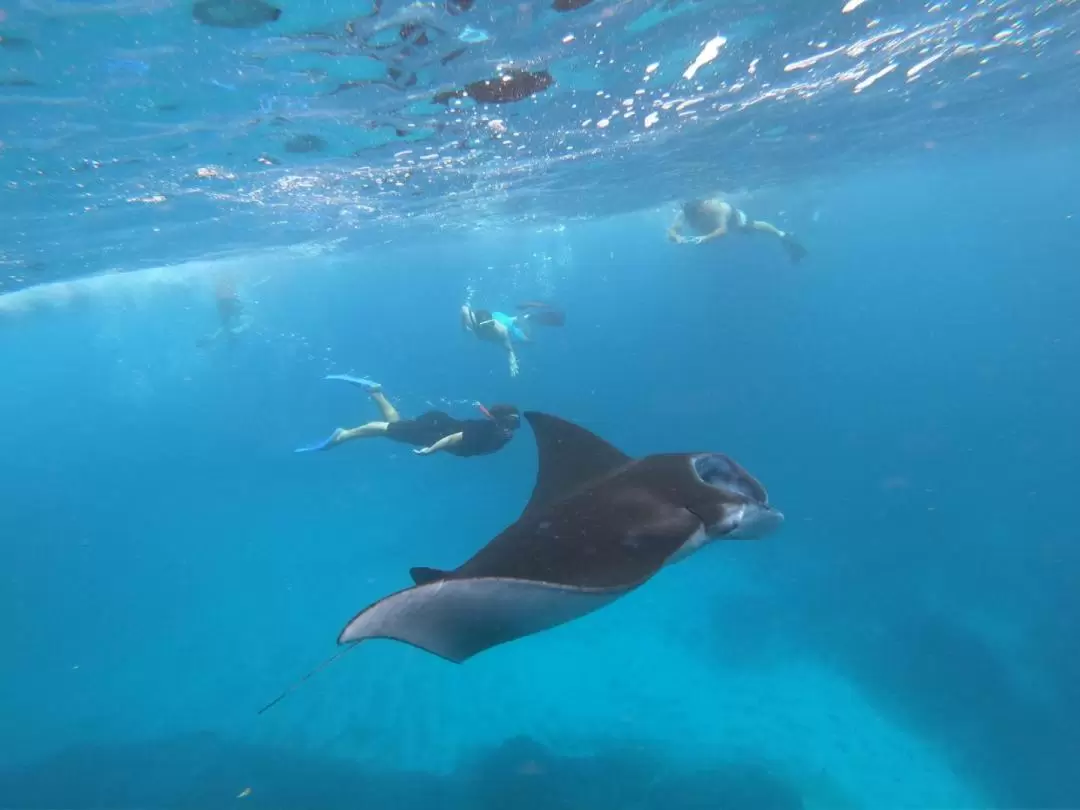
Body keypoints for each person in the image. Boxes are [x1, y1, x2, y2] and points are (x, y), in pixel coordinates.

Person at [295, 375, 521, 457]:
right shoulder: (495, 431)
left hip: (439, 425)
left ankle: (375, 392)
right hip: (438, 432)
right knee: (385, 429)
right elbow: (454, 439)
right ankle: (344, 435)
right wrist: (430, 450)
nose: (514, 426)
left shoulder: (502, 431)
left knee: (396, 426)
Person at [667, 198, 807, 263]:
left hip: (735, 219)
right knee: (749, 229)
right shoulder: (684, 213)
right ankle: (781, 234)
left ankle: (781, 234)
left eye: (699, 214)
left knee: (750, 226)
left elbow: (723, 229)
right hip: (714, 228)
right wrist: (676, 237)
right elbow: (672, 231)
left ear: (702, 209)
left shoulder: (718, 208)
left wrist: (706, 238)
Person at [460, 302, 565, 377]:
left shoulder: (501, 330)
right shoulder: (472, 321)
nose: (488, 330)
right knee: (514, 325)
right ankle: (523, 316)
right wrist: (464, 326)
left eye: (490, 326)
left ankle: (528, 316)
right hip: (493, 316)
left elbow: (509, 349)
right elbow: (464, 309)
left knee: (525, 338)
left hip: (503, 321)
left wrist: (512, 363)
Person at [196, 278, 251, 348]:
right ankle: (216, 336)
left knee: (227, 321)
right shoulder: (229, 284)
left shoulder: (222, 285)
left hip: (223, 302)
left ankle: (214, 337)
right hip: (227, 301)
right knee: (233, 319)